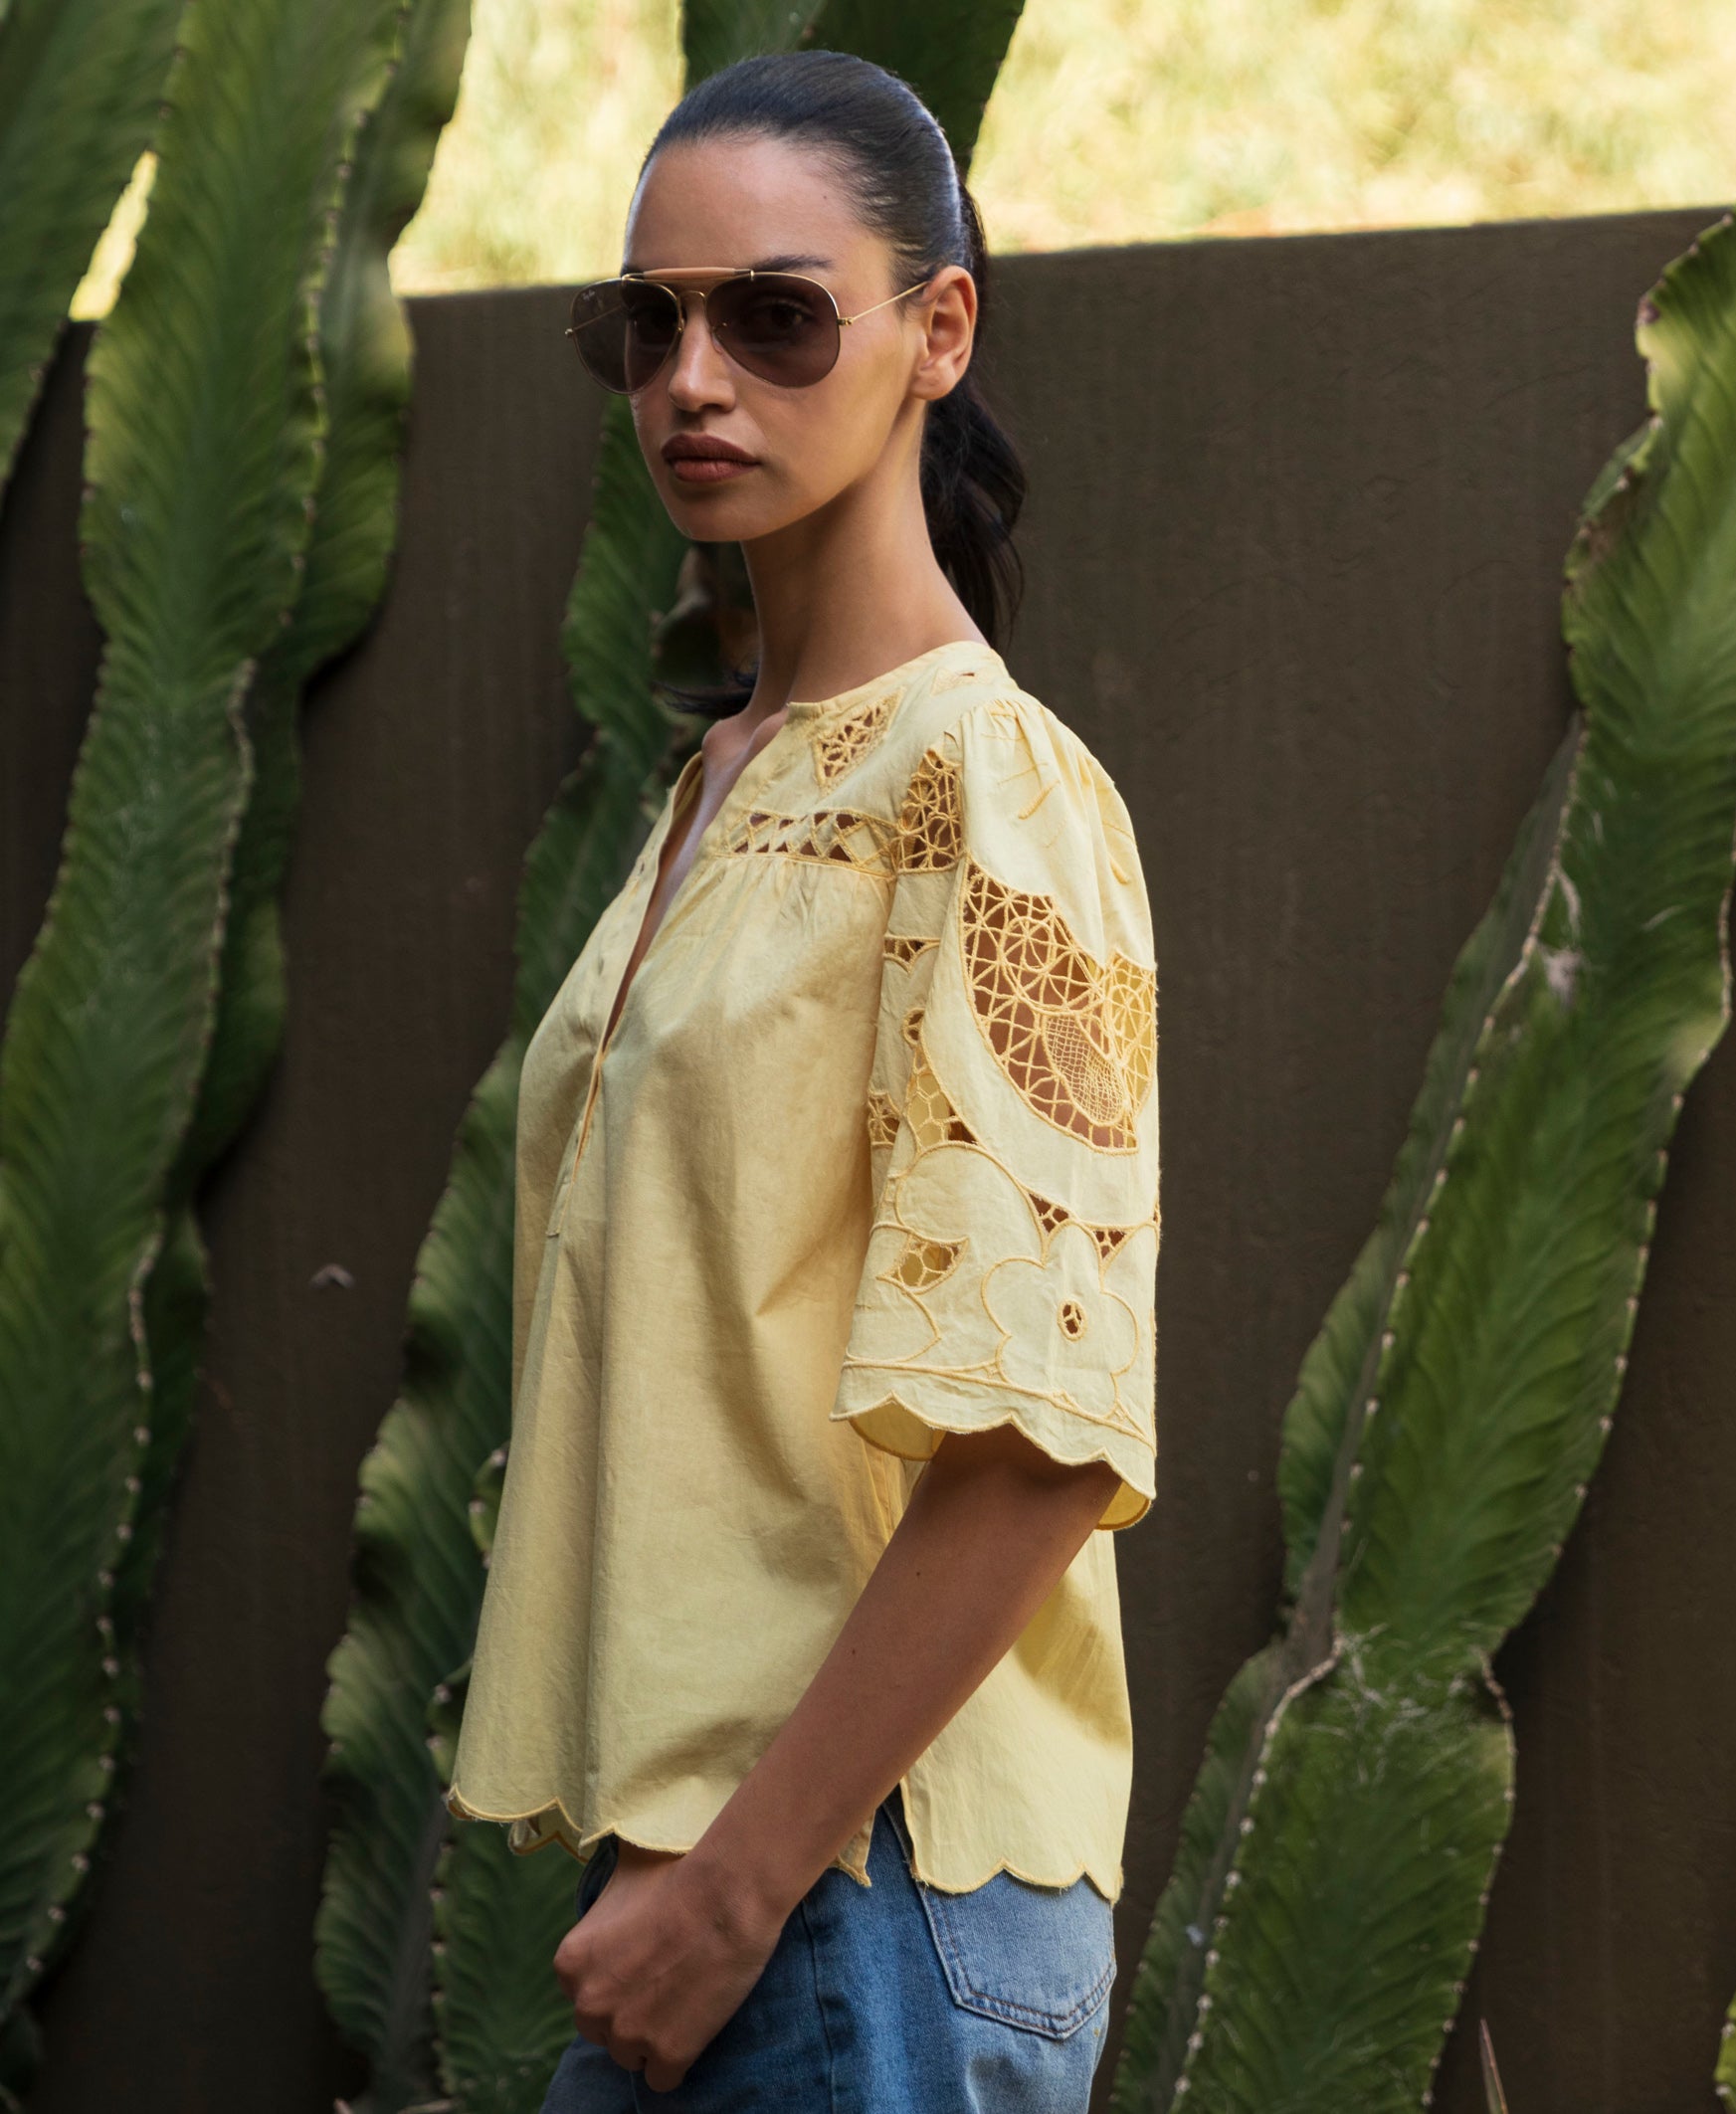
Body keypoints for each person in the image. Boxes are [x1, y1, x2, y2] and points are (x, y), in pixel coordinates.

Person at [444, 47, 1161, 2113]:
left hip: (863, 1887)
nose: (694, 378)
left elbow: (1035, 1428)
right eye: (645, 322)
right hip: (735, 1885)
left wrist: (740, 1885)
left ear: (938, 331)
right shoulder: (722, 785)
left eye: (773, 315)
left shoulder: (984, 782)